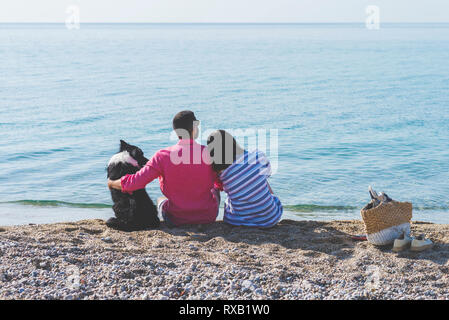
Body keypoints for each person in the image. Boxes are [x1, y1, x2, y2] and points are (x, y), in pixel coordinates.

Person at [108, 111, 220, 226]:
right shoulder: (210, 154)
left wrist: (112, 183)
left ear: (176, 132)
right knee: (214, 189)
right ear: (195, 128)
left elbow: (135, 183)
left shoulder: (162, 156)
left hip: (177, 219)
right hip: (208, 217)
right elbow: (222, 183)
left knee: (160, 199)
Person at [206, 130, 283, 228]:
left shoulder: (220, 172)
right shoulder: (257, 155)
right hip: (270, 218)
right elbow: (268, 173)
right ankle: (262, 208)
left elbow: (219, 187)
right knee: (261, 176)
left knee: (229, 195)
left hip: (237, 221)